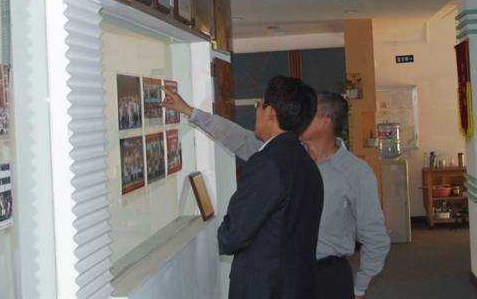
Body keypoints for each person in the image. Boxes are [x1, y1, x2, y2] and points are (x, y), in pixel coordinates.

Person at [162, 88, 390, 299]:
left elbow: (375, 236)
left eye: (309, 113)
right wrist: (189, 111)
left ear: (325, 122)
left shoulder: (355, 172)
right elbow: (238, 137)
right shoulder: (287, 156)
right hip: (286, 278)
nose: (300, 117)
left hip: (326, 278)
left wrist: (359, 288)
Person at [165, 76, 323, 299]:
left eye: (259, 104)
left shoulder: (267, 163)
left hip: (265, 290)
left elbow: (232, 236)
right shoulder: (306, 163)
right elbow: (235, 136)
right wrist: (189, 110)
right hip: (295, 286)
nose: (256, 110)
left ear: (271, 112)